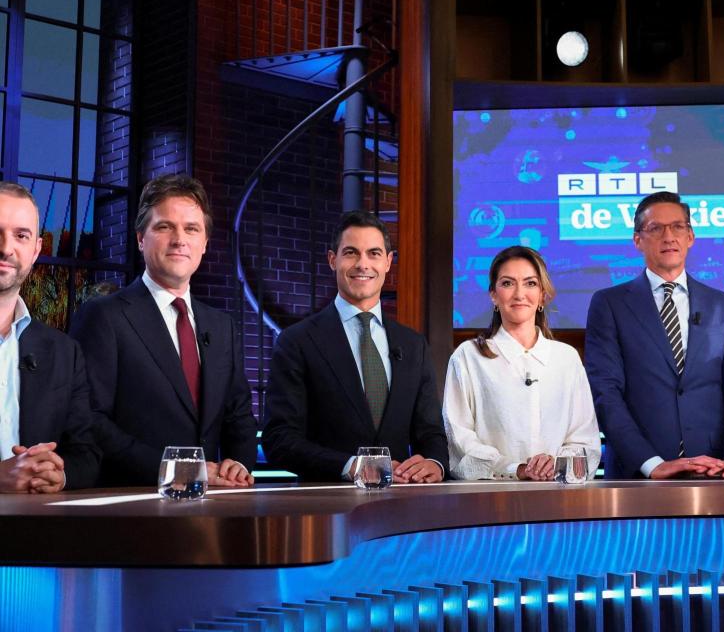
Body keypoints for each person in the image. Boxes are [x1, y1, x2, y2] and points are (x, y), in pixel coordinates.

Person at [70, 174, 256, 487]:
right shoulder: (104, 316)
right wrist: (174, 470)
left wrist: (239, 463)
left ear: (205, 243)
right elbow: (88, 420)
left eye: (191, 229)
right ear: (141, 237)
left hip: (212, 505)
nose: (179, 239)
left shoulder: (222, 327)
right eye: (164, 226)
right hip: (132, 505)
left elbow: (238, 416)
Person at [261, 210, 449, 482]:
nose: (363, 264)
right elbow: (279, 439)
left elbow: (430, 431)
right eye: (351, 253)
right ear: (332, 260)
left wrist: (434, 463)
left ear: (388, 261)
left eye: (374, 253)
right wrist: (351, 465)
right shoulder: (297, 341)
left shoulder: (413, 345)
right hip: (326, 508)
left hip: (401, 507)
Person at [584, 191, 724, 479]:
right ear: (637, 240)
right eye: (656, 228)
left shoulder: (723, 306)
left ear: (690, 237)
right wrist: (651, 464)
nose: (669, 236)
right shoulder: (610, 304)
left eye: (678, 227)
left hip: (713, 473)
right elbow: (606, 394)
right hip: (637, 476)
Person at [443, 246, 600, 480]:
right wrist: (516, 469)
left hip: (558, 496)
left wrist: (554, 464)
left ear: (542, 296)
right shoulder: (468, 356)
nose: (519, 294)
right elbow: (459, 442)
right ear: (493, 295)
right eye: (507, 283)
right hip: (490, 499)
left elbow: (584, 439)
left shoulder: (567, 358)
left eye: (530, 283)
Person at [0, 181, 99, 493]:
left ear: (36, 250)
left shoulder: (64, 353)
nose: (6, 247)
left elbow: (87, 454)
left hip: (39, 535)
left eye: (21, 235)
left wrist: (59, 475)